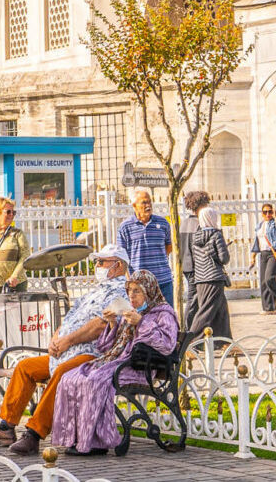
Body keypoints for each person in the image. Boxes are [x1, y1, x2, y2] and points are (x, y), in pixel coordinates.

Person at [0, 245, 132, 456]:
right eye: (97, 262)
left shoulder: (122, 291)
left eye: (102, 262)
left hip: (93, 354)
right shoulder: (96, 290)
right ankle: (5, 427)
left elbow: (101, 325)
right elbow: (71, 317)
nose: (97, 266)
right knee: (25, 367)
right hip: (67, 349)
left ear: (118, 265)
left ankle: (34, 434)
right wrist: (55, 338)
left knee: (62, 374)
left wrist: (67, 340)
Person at [47, 272, 181, 457]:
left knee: (94, 381)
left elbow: (166, 344)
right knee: (70, 377)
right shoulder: (131, 312)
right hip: (117, 362)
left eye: (137, 291)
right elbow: (106, 347)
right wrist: (112, 324)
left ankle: (97, 442)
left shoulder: (163, 313)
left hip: (141, 367)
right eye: (129, 291)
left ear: (149, 292)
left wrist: (141, 323)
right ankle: (75, 437)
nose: (131, 296)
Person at [184, 207, 232, 339]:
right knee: (206, 311)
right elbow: (224, 259)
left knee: (221, 311)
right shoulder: (216, 235)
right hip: (214, 277)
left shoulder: (196, 237)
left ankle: (225, 341)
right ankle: (190, 341)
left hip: (200, 279)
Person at [116, 189, 174, 299]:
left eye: (149, 202)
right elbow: (121, 256)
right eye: (144, 202)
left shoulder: (162, 223)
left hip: (163, 281)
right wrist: (129, 281)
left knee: (166, 315)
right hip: (139, 284)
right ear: (134, 205)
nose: (148, 205)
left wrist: (158, 259)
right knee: (141, 316)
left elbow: (169, 245)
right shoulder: (125, 227)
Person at [251, 203, 276, 314]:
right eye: (265, 212)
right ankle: (270, 308)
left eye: (270, 211)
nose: (267, 214)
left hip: (274, 253)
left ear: (273, 212)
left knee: (269, 278)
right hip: (263, 254)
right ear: (262, 213)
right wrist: (253, 256)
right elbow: (256, 242)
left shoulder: (275, 223)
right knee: (263, 282)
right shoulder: (259, 225)